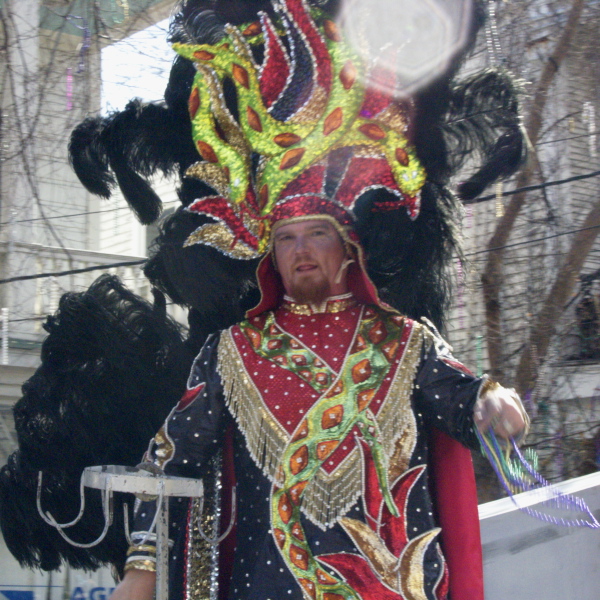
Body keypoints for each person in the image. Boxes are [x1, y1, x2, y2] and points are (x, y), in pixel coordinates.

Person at [111, 212, 527, 600]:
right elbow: (170, 461)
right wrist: (141, 571)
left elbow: (463, 402)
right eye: (285, 238)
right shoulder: (231, 351)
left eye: (317, 233)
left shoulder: (407, 341)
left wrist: (493, 401)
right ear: (271, 255)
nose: (300, 249)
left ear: (348, 245)